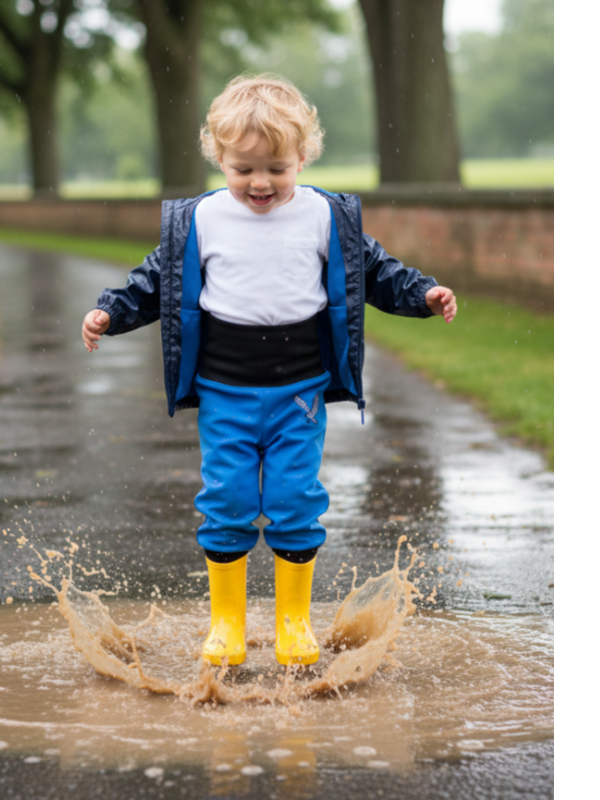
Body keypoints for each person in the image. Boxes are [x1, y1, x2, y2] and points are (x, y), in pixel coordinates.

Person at [81, 75, 457, 669]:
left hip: (298, 393)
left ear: (303, 157)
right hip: (224, 392)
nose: (260, 183)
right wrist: (110, 310)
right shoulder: (200, 220)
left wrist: (425, 293)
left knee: (293, 499)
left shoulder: (326, 217)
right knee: (227, 499)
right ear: (218, 157)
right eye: (244, 169)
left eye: (277, 169)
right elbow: (154, 280)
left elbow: (376, 272)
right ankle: (227, 624)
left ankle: (292, 624)